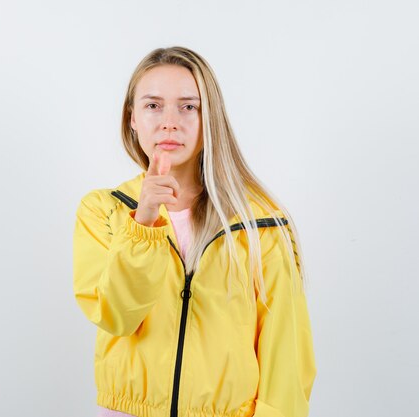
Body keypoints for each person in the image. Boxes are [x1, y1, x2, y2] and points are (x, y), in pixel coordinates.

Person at [72, 46, 316, 417]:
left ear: (210, 118)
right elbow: (116, 316)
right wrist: (144, 223)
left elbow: (286, 350)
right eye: (153, 105)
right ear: (132, 117)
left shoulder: (261, 222)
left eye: (189, 107)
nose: (170, 122)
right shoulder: (104, 210)